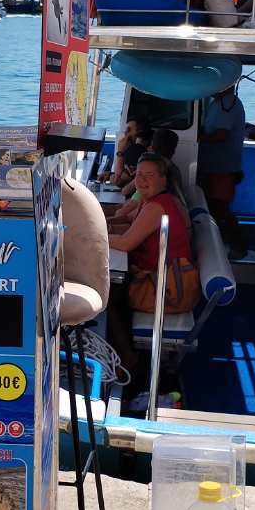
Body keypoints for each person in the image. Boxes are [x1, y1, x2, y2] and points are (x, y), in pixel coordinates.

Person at [105, 153, 201, 386]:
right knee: (115, 289)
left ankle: (130, 363)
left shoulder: (157, 206)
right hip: (161, 279)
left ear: (163, 180)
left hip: (168, 289)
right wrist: (99, 222)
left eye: (149, 175)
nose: (141, 180)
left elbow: (126, 243)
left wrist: (92, 236)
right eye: (138, 174)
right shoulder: (153, 201)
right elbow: (127, 223)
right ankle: (126, 358)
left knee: (109, 298)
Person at [198, 86, 247, 255]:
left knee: (220, 208)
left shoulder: (229, 103)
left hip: (223, 166)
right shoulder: (217, 103)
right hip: (214, 165)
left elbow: (221, 135)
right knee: (213, 206)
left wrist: (197, 137)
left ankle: (238, 247)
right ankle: (220, 246)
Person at [110, 114, 152, 186]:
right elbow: (126, 174)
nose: (125, 133)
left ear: (140, 132)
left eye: (129, 130)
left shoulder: (138, 152)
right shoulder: (144, 148)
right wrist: (110, 174)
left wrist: (120, 152)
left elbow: (117, 180)